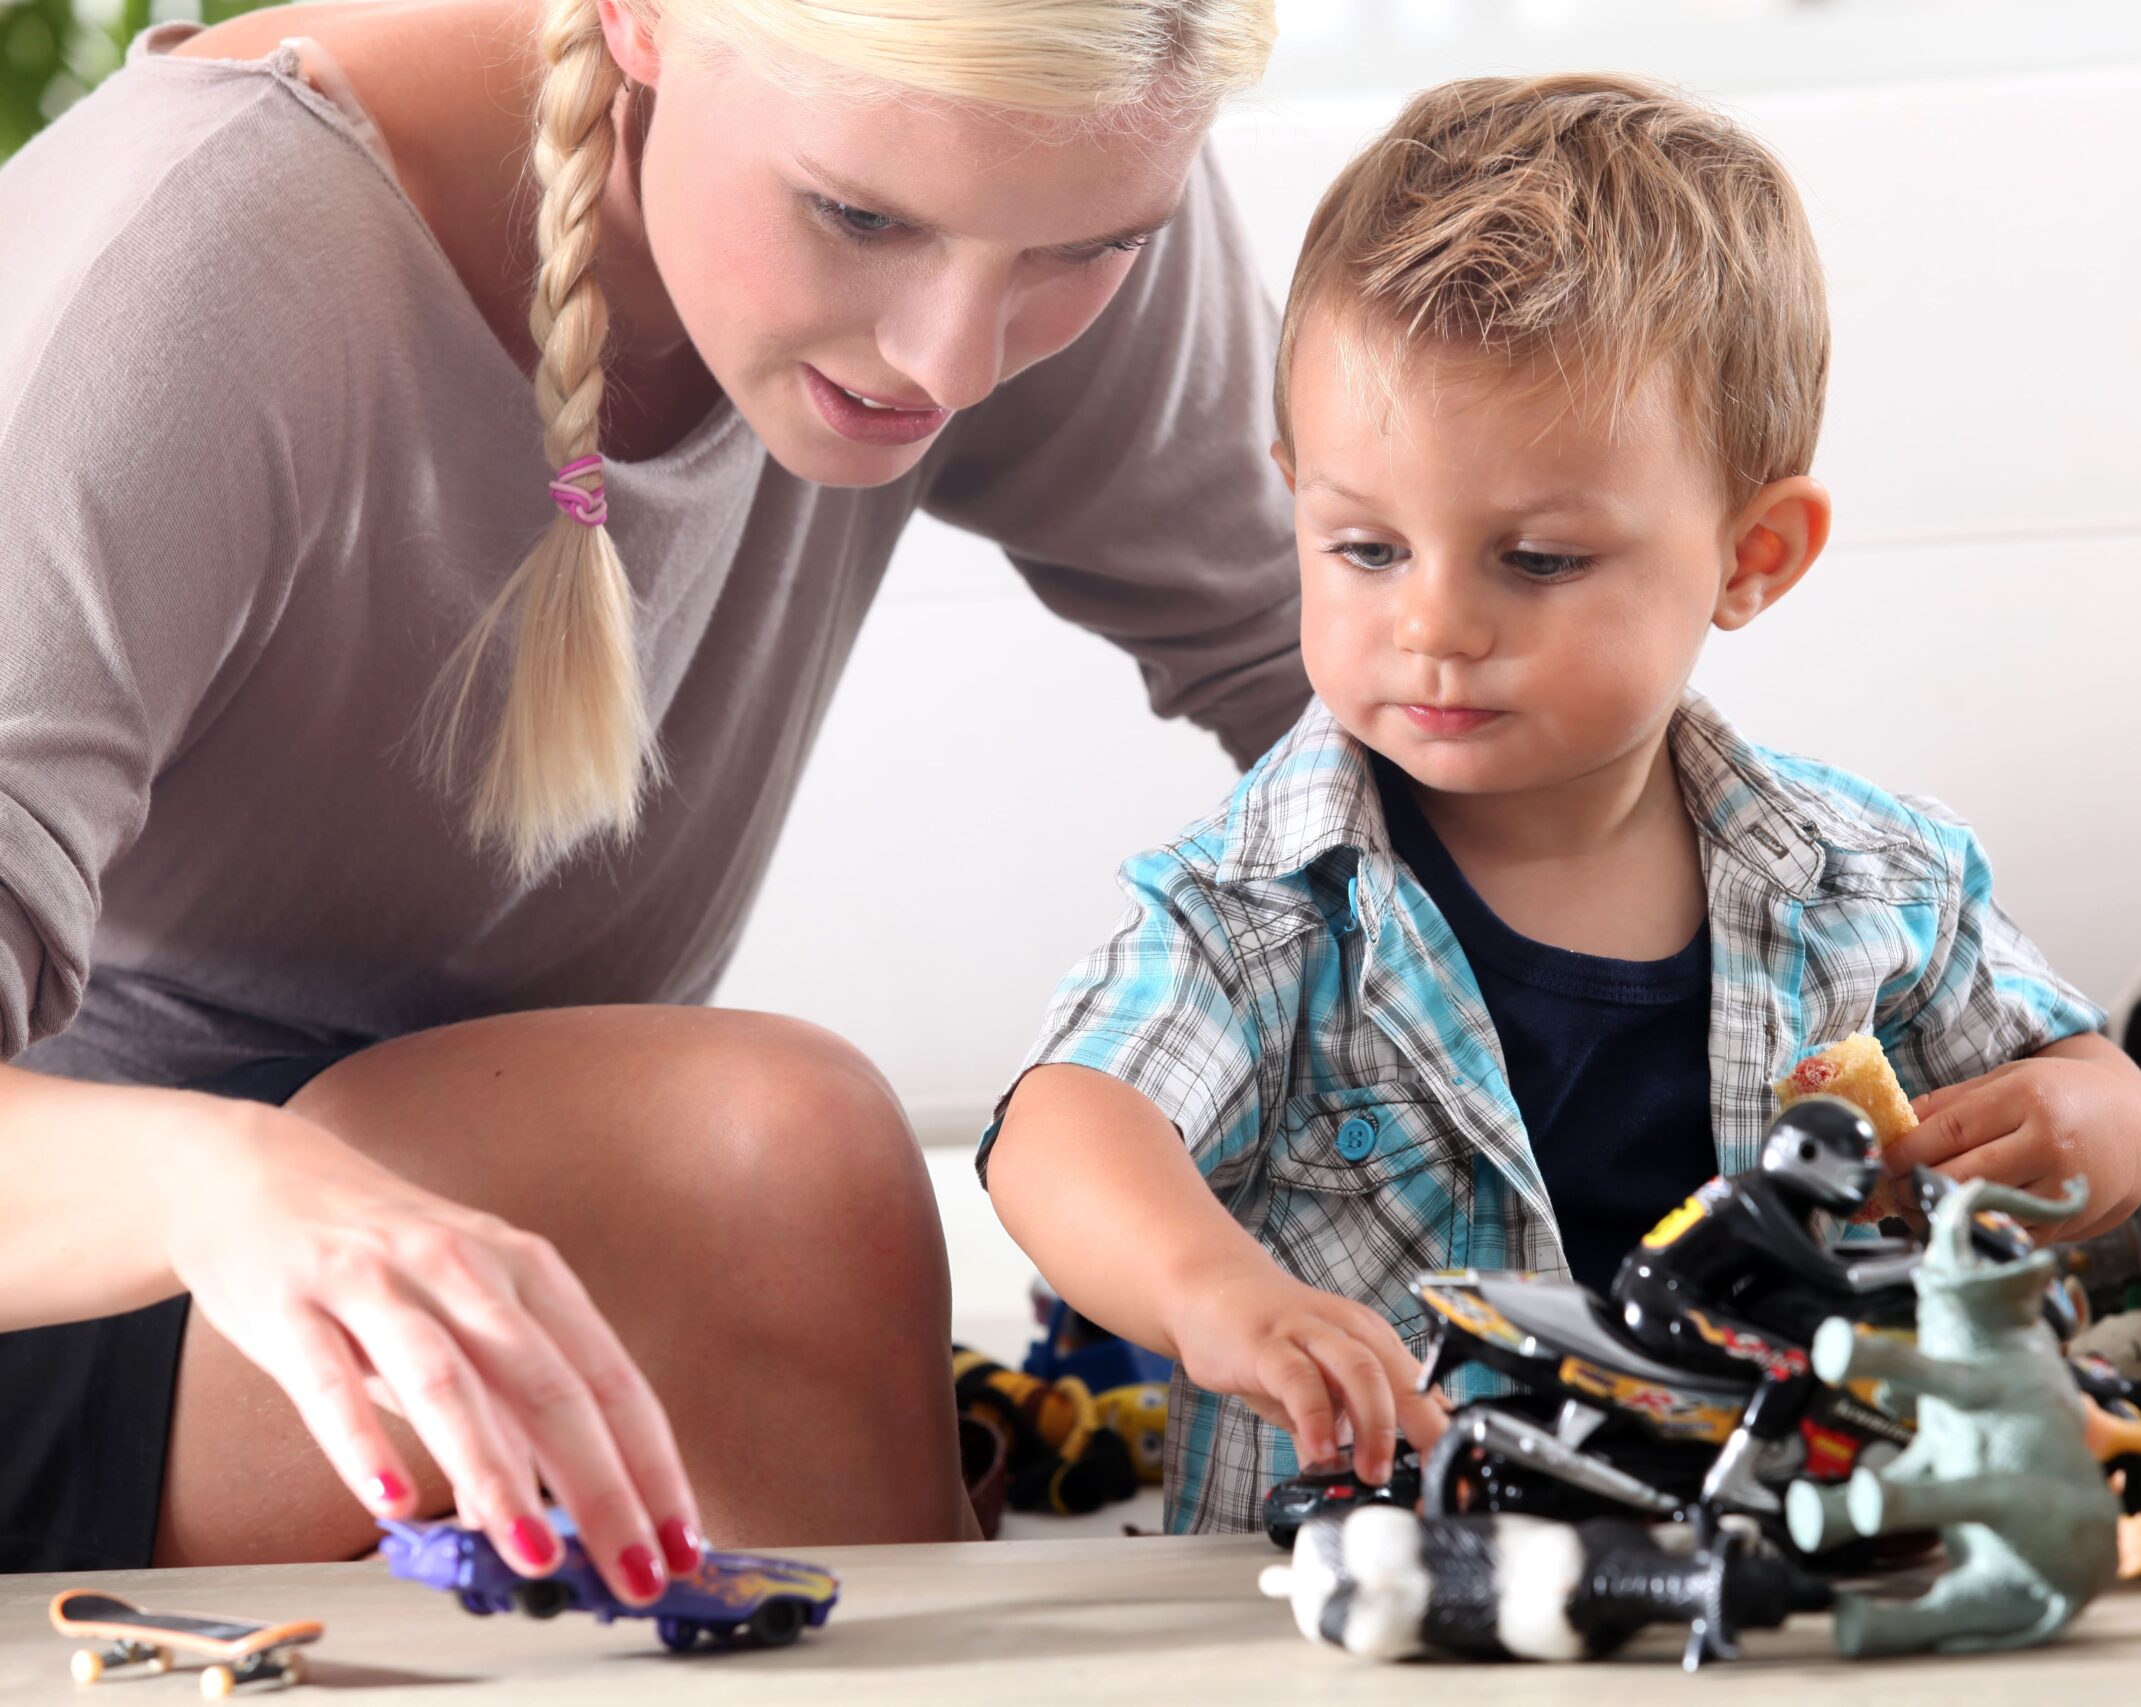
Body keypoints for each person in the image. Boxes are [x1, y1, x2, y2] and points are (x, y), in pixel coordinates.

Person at [0, 0, 1301, 1577]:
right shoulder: (192, 265)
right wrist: (219, 1188)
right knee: (754, 1163)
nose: (952, 357)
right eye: (857, 216)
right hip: (95, 1269)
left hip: (436, 1228)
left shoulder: (1039, 139)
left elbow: (1373, 698)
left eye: (1084, 254)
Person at [980, 72, 2141, 1533]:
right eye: (1363, 547)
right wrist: (1212, 1287)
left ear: (1752, 556)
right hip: (1371, 1592)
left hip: (1791, 1559)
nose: (1434, 624)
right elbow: (1066, 1124)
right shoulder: (1258, 915)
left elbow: (2099, 1088)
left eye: (1535, 561)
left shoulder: (1876, 883)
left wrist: (2081, 1130)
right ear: (1291, 498)